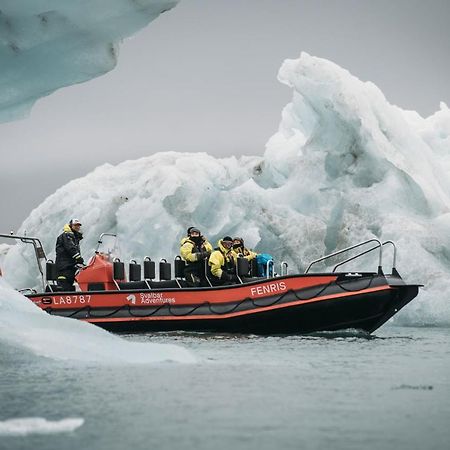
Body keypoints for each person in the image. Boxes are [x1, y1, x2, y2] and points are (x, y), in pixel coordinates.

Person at [55, 219, 84, 291]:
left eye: (78, 225)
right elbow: (70, 247)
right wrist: (78, 257)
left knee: (70, 287)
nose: (77, 227)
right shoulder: (67, 235)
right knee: (65, 286)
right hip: (64, 266)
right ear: (71, 226)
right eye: (75, 225)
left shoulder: (74, 237)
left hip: (70, 266)